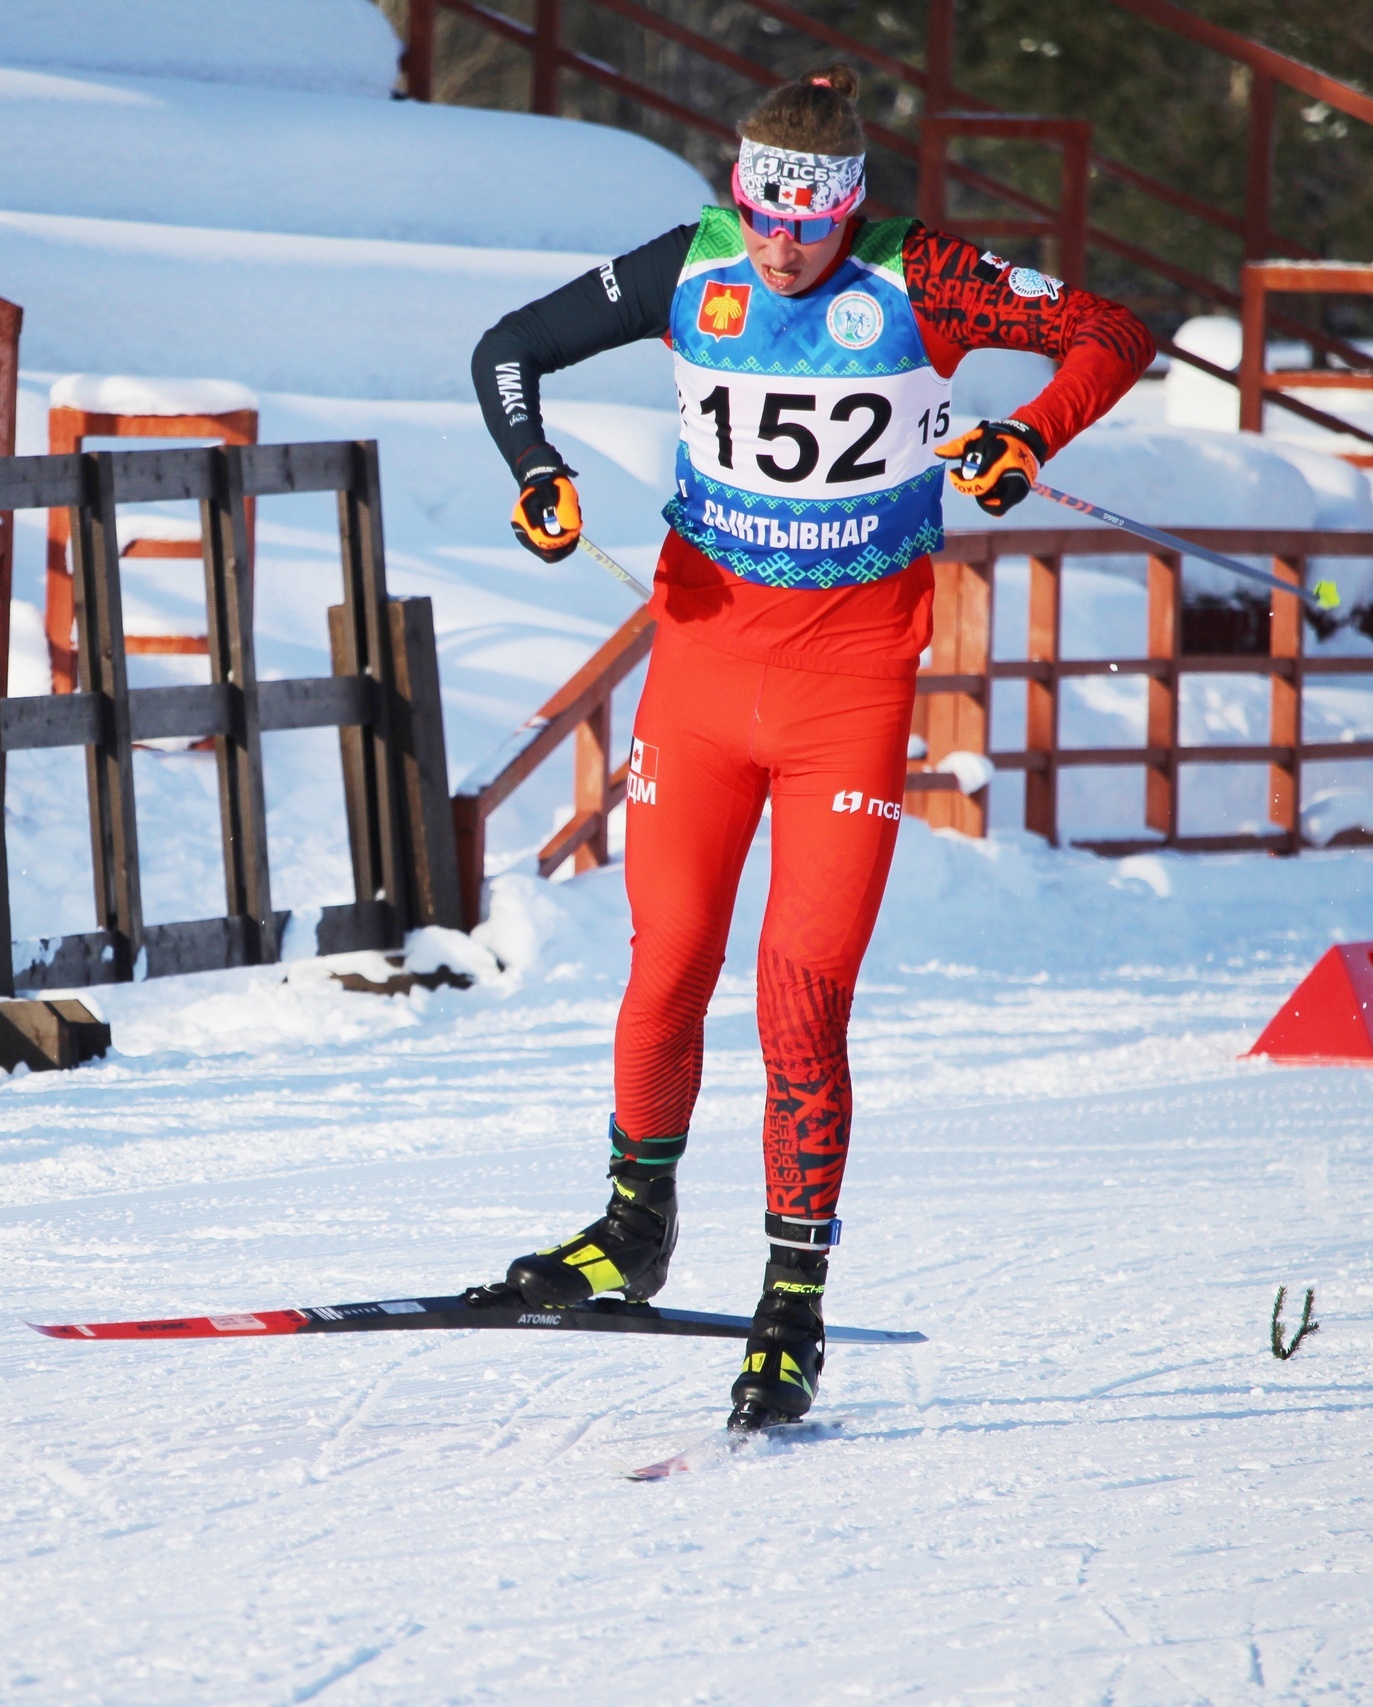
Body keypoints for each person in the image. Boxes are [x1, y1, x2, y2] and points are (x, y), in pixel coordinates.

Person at [467, 66, 1154, 1433]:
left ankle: (792, 1305)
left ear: (853, 203)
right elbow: (507, 350)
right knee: (664, 961)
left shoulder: (925, 277)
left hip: (849, 690)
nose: (784, 246)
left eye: (813, 218)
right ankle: (631, 1230)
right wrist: (536, 474)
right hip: (707, 674)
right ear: (737, 195)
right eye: (763, 213)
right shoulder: (694, 266)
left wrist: (1028, 432)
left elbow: (1114, 332)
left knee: (801, 992)